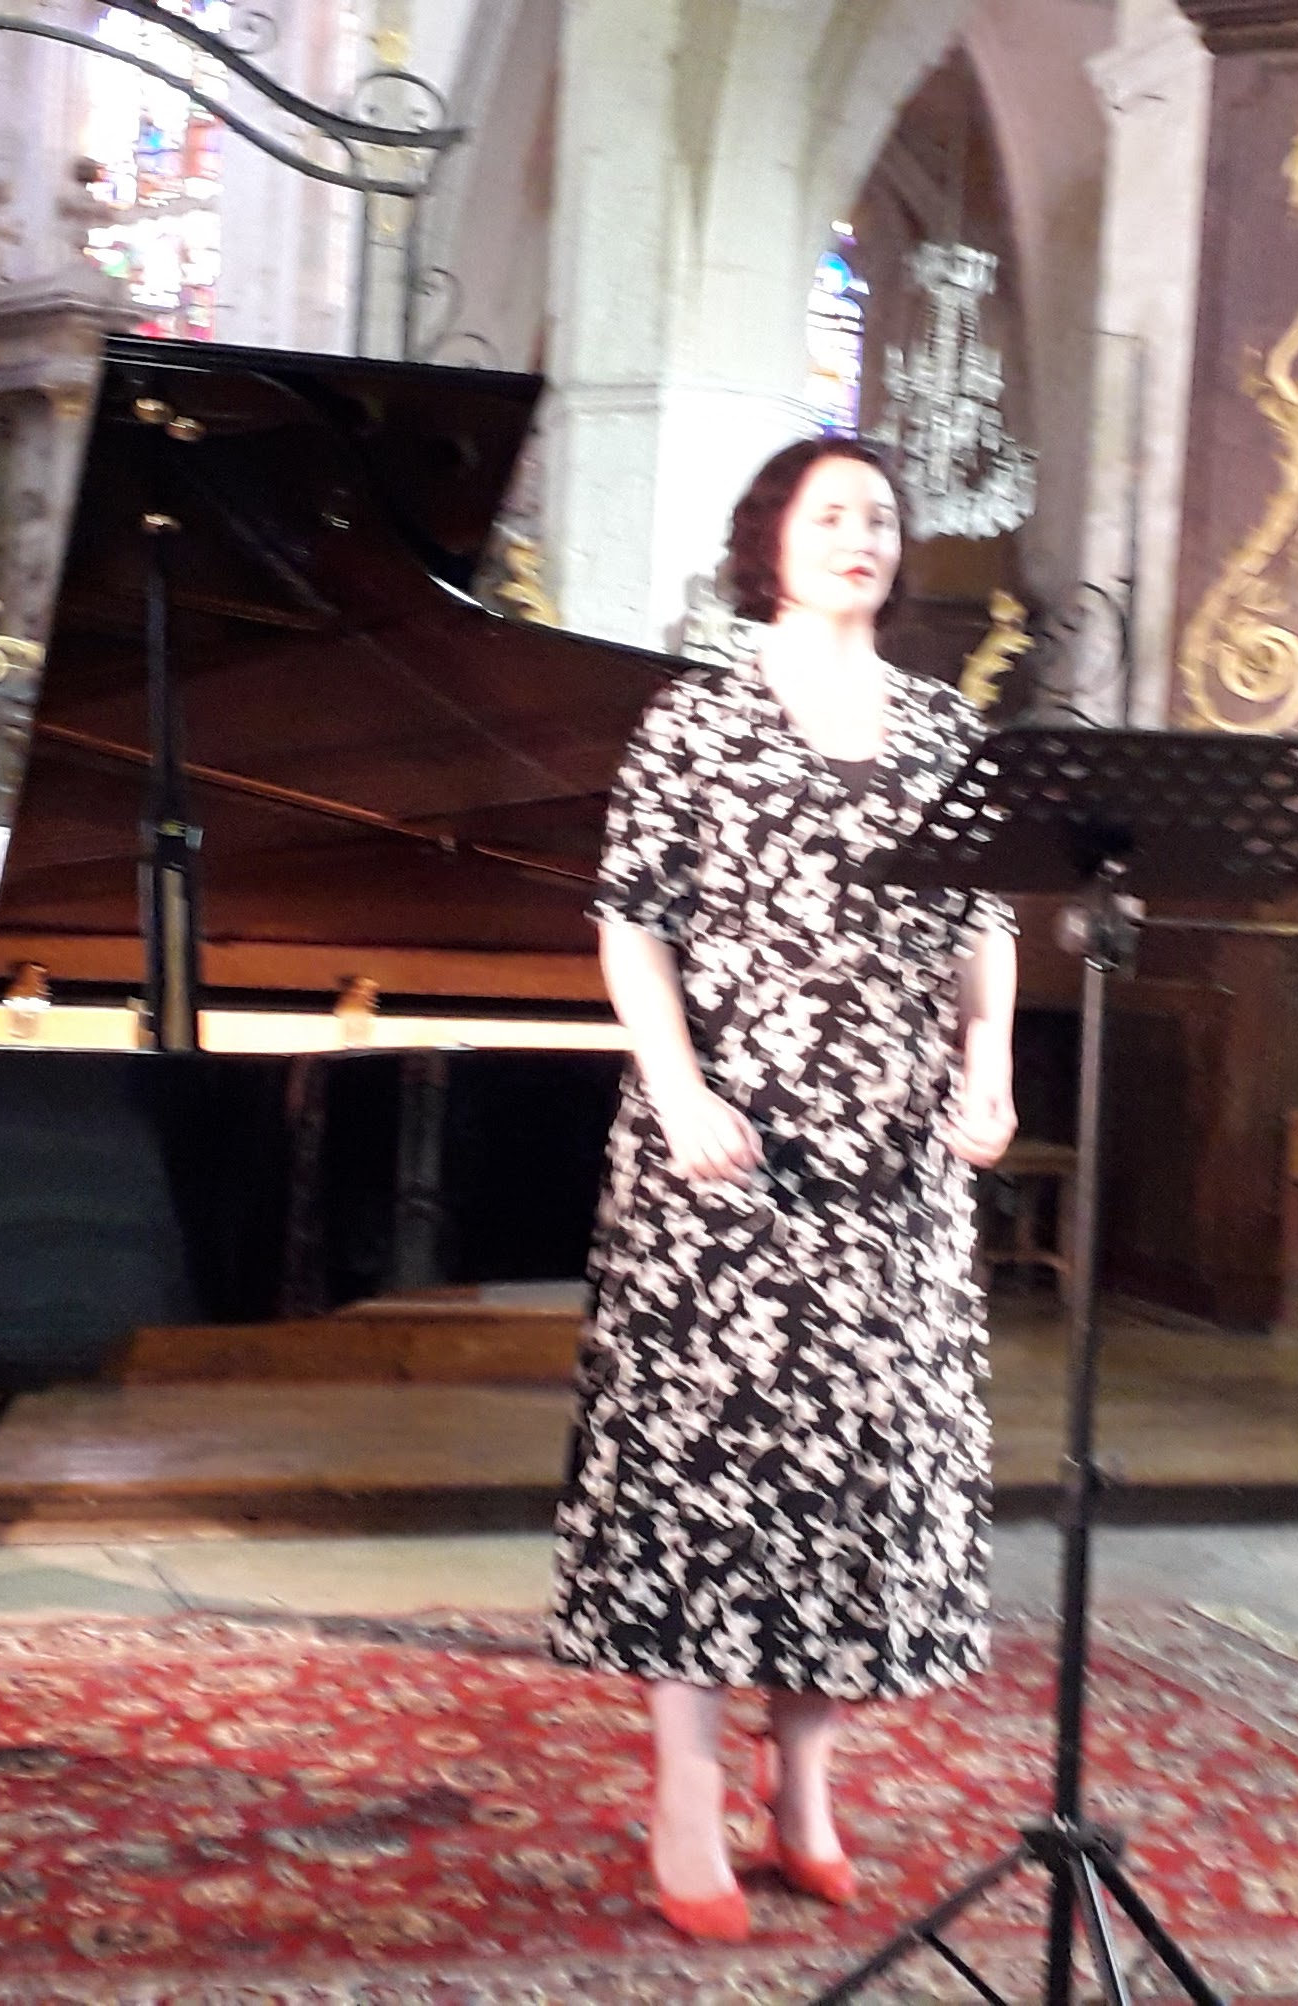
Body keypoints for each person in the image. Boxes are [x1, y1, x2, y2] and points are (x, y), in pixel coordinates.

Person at [546, 438, 1021, 1944]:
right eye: (830, 514)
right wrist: (680, 1088)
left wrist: (990, 1060)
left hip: (893, 1160)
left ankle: (805, 1783)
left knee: (853, 1472)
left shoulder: (945, 725)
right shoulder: (694, 716)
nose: (859, 535)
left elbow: (986, 923)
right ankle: (686, 1791)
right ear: (771, 540)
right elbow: (633, 924)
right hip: (727, 1152)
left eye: (880, 516)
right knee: (703, 1468)